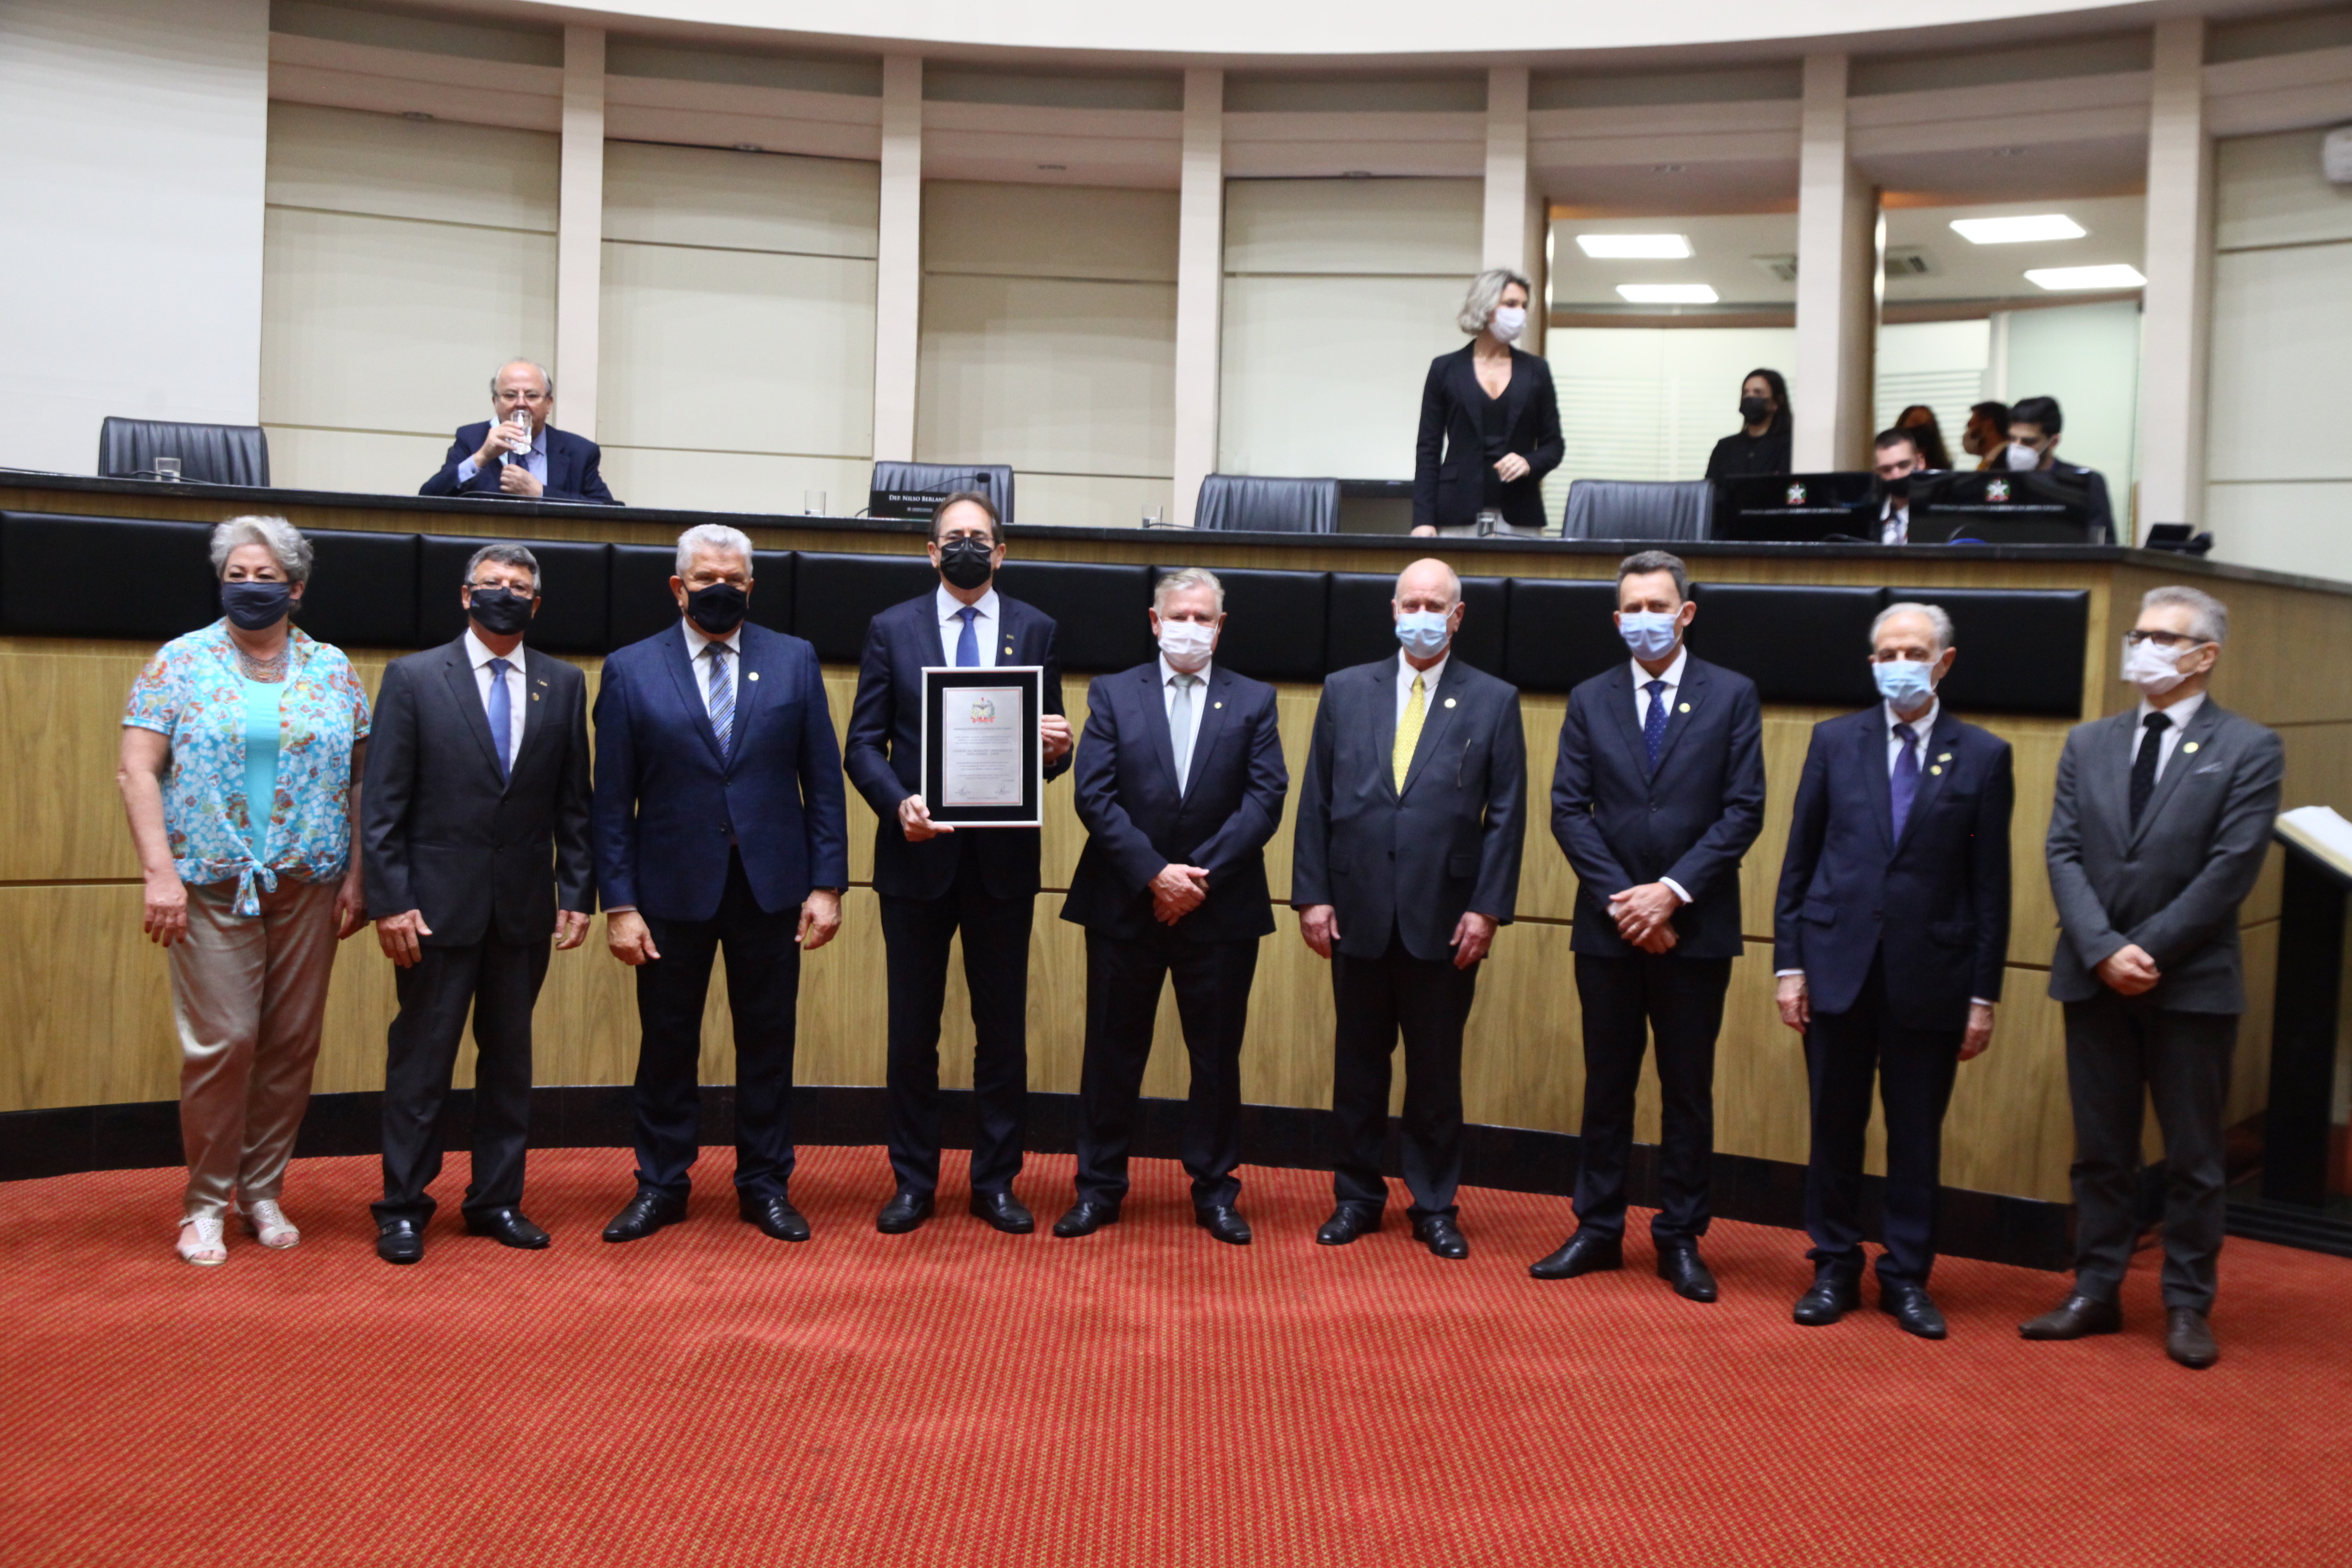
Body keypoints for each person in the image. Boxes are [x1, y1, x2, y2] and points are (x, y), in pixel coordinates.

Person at [2026, 585, 2283, 1370]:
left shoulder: (2249, 747)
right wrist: (2103, 949)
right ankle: (2095, 1290)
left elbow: (2231, 868)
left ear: (2205, 655)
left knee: (2194, 1158)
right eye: (2139, 634)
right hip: (2094, 976)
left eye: (2163, 638)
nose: (2143, 647)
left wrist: (2149, 950)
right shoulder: (2090, 742)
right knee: (2101, 1150)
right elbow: (2063, 851)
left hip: (2190, 982)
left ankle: (2187, 1304)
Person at [117, 516, 373, 1266]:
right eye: (237, 575)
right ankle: (203, 1204)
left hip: (309, 881)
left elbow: (362, 780)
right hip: (209, 884)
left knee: (291, 1044)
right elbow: (137, 771)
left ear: (296, 588)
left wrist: (360, 874)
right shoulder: (180, 661)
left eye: (266, 577)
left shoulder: (332, 668)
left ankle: (261, 1191)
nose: (250, 587)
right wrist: (158, 872)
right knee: (224, 1042)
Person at [590, 524, 847, 1244]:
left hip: (772, 888)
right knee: (666, 1043)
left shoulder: (793, 659)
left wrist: (828, 885)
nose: (720, 590)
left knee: (768, 1042)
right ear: (679, 587)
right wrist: (619, 904)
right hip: (668, 890)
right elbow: (611, 802)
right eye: (706, 579)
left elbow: (823, 783)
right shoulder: (631, 668)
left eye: (733, 580)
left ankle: (765, 1185)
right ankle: (661, 1184)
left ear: (751, 587)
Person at [1772, 602, 2013, 1338]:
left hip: (1931, 973)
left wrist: (1982, 995)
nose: (1898, 665)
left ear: (1944, 662)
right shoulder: (1833, 741)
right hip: (1836, 964)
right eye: (1886, 654)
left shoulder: (1984, 755)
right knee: (1833, 1127)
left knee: (1915, 1135)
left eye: (1913, 652)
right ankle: (1833, 1265)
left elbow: (1990, 886)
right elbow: (1800, 861)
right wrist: (1790, 966)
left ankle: (1907, 1275)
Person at [1533, 549, 1764, 1300]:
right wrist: (1626, 903)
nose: (1644, 620)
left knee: (1686, 1088)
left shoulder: (1731, 695)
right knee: (1607, 1084)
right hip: (1609, 930)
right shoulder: (1589, 697)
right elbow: (1568, 810)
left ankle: (1680, 1237)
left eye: (1657, 607)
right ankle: (1598, 1228)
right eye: (1631, 609)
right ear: (1616, 619)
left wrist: (1669, 894)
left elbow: (1743, 811)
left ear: (1685, 613)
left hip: (1696, 928)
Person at [844, 493, 1072, 1236]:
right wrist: (897, 804)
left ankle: (995, 1182)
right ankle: (913, 1182)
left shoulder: (1036, 627)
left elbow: (1047, 752)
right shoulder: (892, 628)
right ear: (931, 551)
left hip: (1002, 864)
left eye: (980, 537)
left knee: (1001, 1031)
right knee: (913, 1033)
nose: (966, 546)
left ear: (1000, 552)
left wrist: (1058, 750)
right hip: (917, 859)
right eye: (954, 537)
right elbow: (862, 745)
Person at [362, 544, 594, 1265]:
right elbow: (383, 804)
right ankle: (403, 1207)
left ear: (536, 604)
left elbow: (574, 803)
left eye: (519, 587)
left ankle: (497, 1200)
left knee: (509, 1065)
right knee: (422, 1063)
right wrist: (390, 902)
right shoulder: (413, 677)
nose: (505, 594)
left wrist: (577, 891)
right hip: (432, 912)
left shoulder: (563, 683)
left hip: (522, 909)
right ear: (466, 596)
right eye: (492, 584)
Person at [1292, 558, 1526, 1259]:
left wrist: (1488, 909)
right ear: (1393, 610)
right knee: (1358, 1067)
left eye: (1435, 604)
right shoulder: (1344, 690)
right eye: (1411, 603)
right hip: (1355, 908)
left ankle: (1433, 1205)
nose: (1421, 615)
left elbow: (1506, 815)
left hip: (1446, 917)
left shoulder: (1494, 699)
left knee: (1435, 1073)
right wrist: (1312, 894)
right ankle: (1356, 1197)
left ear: (1457, 616)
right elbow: (1316, 800)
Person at [1054, 569, 1288, 1245]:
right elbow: (1093, 795)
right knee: (1111, 1053)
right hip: (1124, 903)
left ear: (1220, 626)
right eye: (1178, 616)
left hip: (1220, 909)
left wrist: (1194, 880)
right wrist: (1156, 875)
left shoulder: (1254, 700)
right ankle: (1099, 1188)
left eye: (1203, 618)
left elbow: (1265, 799)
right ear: (1155, 623)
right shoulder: (1113, 692)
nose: (1191, 628)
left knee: (1215, 1058)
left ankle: (1215, 1191)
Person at [1409, 268, 1562, 538]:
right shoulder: (1445, 369)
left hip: (1520, 511)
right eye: (1511, 304)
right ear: (1485, 306)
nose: (1520, 313)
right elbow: (1428, 450)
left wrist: (1528, 462)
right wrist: (1423, 520)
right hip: (1456, 511)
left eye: (1523, 306)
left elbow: (1554, 446)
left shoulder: (1536, 370)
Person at [420, 360, 619, 504]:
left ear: (548, 404)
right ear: (495, 402)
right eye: (510, 395)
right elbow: (428, 497)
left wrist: (540, 493)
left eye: (531, 395)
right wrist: (481, 457)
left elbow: (608, 509)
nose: (521, 403)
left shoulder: (579, 451)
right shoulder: (471, 439)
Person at [2003, 395, 2115, 543]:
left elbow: (2103, 545)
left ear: (2053, 441)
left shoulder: (2084, 483)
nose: (2017, 448)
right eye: (2012, 439)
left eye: (2029, 441)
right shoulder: (1999, 481)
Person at [1702, 368, 1793, 480]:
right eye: (1746, 393)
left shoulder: (1788, 446)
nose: (1749, 398)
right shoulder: (1724, 447)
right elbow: (1709, 486)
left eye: (1758, 392)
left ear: (1776, 402)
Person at [1872, 427, 1927, 545]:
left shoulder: (1938, 514)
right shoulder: (1868, 517)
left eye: (1903, 465)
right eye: (1886, 469)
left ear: (1920, 463)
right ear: (1877, 472)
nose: (1896, 475)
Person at [1894, 404, 1954, 472]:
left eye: (1926, 425)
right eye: (1915, 422)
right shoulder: (1891, 468)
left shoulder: (1942, 470)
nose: (1920, 432)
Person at [1962, 400, 2011, 471]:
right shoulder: (1990, 462)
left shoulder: (2006, 462)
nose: (1967, 433)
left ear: (1988, 424)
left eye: (1970, 425)